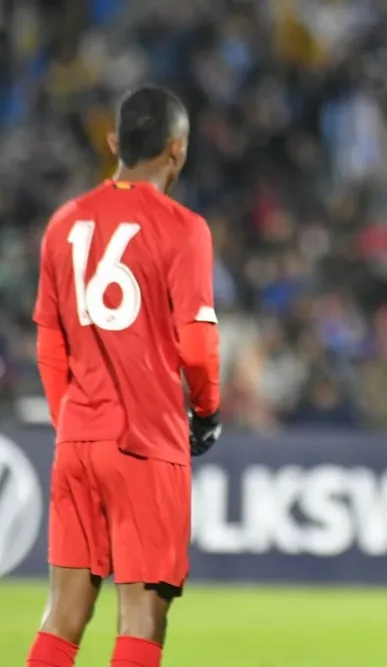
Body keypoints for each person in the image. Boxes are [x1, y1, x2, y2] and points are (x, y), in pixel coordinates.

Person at [27, 86, 222, 667]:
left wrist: (73, 420)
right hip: (146, 441)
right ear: (178, 150)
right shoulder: (183, 228)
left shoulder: (63, 224)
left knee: (63, 612)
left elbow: (48, 341)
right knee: (142, 614)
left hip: (78, 440)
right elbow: (198, 344)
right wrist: (207, 411)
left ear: (114, 143)